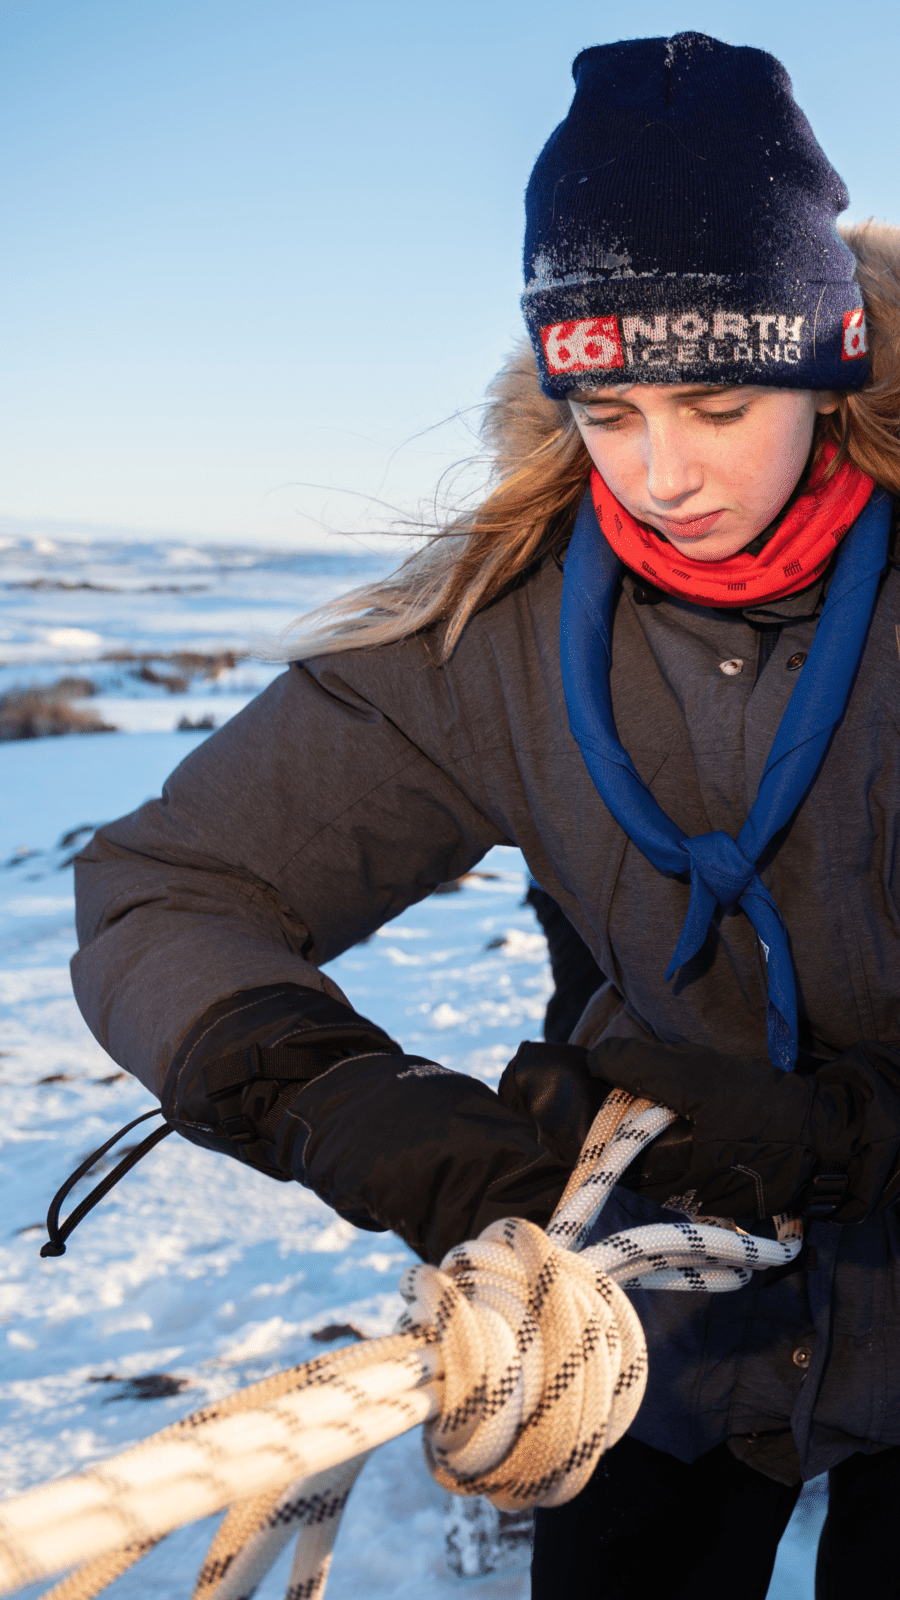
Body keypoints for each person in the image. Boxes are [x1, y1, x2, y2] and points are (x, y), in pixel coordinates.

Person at [69, 33, 900, 1600]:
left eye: (719, 402)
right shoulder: (495, 632)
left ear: (827, 359)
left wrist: (867, 1128)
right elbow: (166, 889)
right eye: (607, 410)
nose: (661, 474)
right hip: (651, 1342)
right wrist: (330, 1095)